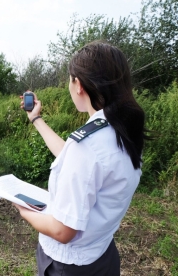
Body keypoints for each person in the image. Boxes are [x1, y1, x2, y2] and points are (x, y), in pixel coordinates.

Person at [15, 41, 148, 276]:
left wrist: (24, 209)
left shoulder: (88, 145)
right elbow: (75, 159)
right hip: (103, 256)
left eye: (70, 79)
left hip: (68, 267)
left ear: (79, 85)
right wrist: (36, 119)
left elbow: (62, 232)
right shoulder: (123, 130)